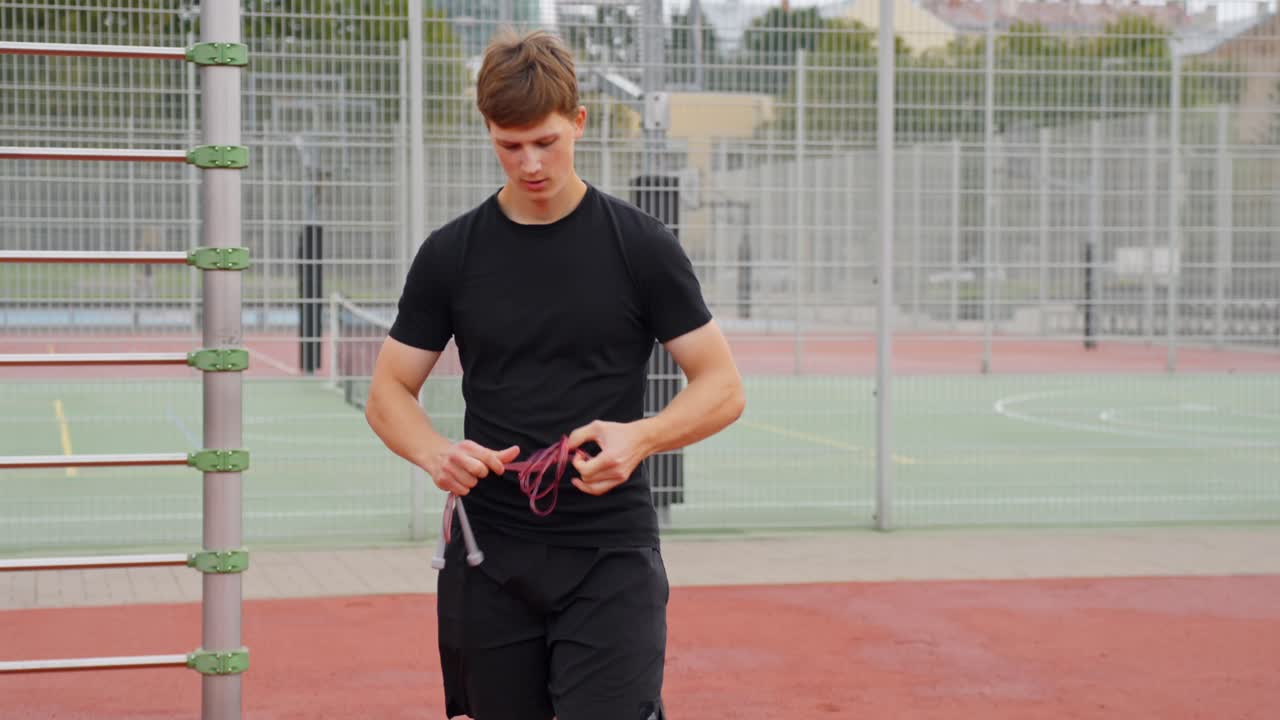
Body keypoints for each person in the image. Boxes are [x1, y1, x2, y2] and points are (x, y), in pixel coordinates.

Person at [365, 28, 745, 720]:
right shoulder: (451, 255)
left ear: (579, 121)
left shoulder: (641, 247)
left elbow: (723, 386)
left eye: (546, 140)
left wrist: (641, 438)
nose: (531, 163)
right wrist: (435, 453)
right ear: (488, 130)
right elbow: (389, 390)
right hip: (488, 552)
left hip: (610, 552)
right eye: (510, 145)